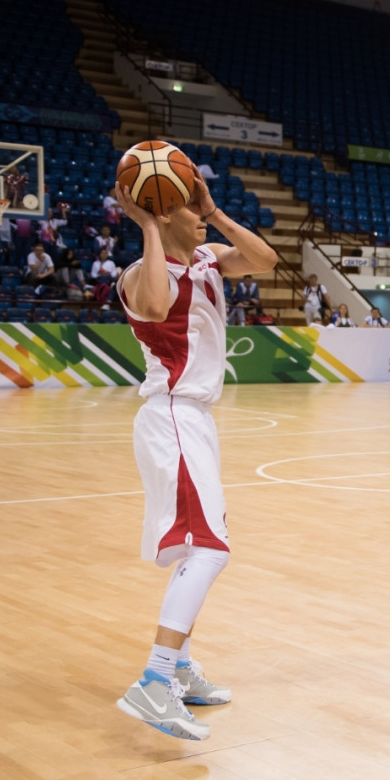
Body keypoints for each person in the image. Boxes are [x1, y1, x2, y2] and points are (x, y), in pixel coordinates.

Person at [109, 170, 278, 741]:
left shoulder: (208, 257)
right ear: (161, 213)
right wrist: (148, 228)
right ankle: (154, 682)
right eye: (187, 205)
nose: (199, 213)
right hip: (172, 414)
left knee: (195, 546)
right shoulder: (139, 272)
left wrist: (216, 212)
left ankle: (179, 669)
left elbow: (265, 261)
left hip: (195, 421)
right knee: (208, 549)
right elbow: (156, 306)